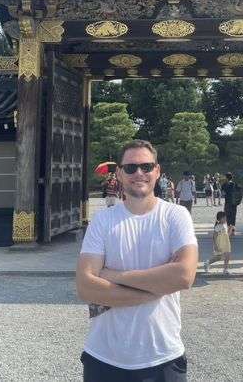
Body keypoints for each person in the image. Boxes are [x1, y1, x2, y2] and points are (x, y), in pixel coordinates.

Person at [76, 140, 198, 381]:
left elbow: (184, 276)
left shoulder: (176, 216)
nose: (139, 173)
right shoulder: (103, 221)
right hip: (104, 357)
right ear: (119, 173)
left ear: (157, 171)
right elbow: (85, 287)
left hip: (162, 357)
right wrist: (154, 290)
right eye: (130, 168)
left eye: (146, 166)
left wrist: (112, 276)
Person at [203, 211, 231, 275]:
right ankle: (207, 263)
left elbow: (227, 235)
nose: (225, 219)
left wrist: (231, 229)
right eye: (223, 218)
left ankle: (225, 269)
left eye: (225, 217)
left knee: (227, 256)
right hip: (220, 243)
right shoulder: (218, 226)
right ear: (219, 219)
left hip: (226, 243)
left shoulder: (225, 225)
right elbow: (214, 235)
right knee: (218, 257)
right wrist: (215, 245)